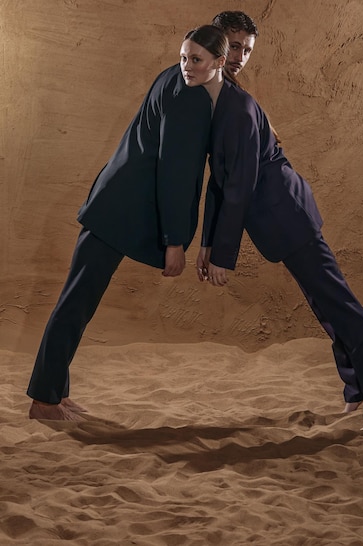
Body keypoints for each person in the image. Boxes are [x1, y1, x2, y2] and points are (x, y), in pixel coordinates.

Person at [193, 16, 363, 431]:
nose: (240, 57)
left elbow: (239, 183)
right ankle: (357, 390)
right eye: (235, 47)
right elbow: (220, 179)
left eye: (247, 49)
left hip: (288, 214)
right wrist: (207, 242)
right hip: (278, 216)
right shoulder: (222, 94)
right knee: (324, 305)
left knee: (338, 303)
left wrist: (222, 253)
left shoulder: (236, 104)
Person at [27, 25, 228, 421]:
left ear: (216, 63)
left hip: (115, 202)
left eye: (196, 60)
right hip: (117, 209)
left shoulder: (175, 78)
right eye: (184, 57)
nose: (187, 65)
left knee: (77, 302)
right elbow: (175, 172)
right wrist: (174, 240)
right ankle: (44, 401)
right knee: (76, 303)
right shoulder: (191, 96)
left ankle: (54, 393)